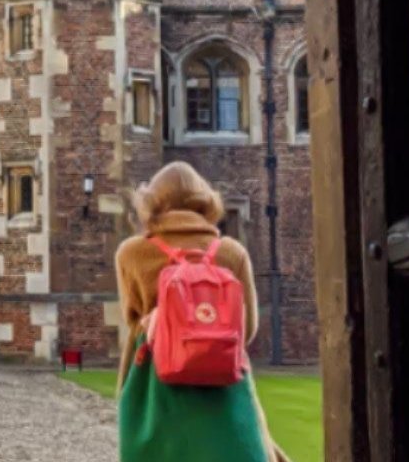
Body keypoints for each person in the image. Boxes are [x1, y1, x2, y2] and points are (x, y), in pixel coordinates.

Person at [116, 162, 289, 462]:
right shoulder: (231, 252)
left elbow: (132, 319)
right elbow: (247, 329)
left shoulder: (131, 253)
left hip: (157, 386)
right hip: (222, 383)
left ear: (153, 201)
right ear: (204, 201)